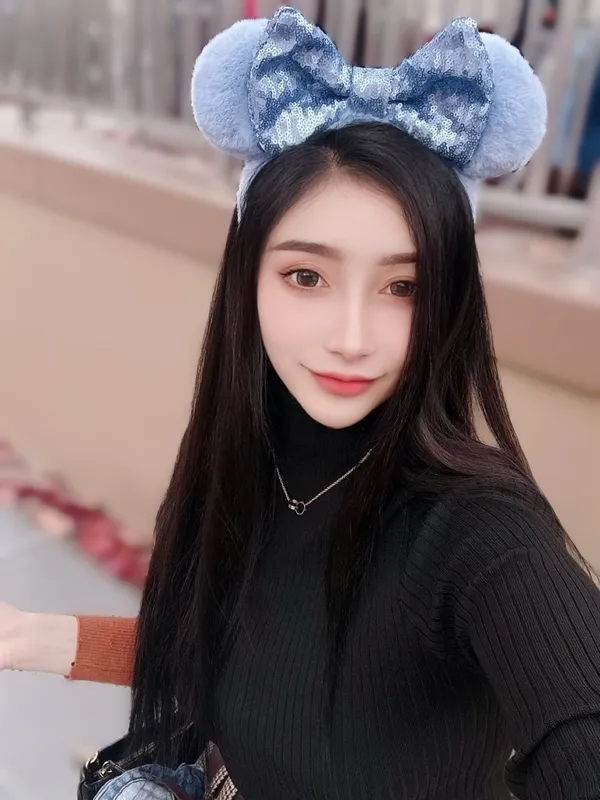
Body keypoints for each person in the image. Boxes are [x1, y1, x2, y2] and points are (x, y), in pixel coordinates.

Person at [3, 7, 600, 800]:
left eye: (405, 286)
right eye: (307, 277)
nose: (351, 338)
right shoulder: (255, 456)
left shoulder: (480, 529)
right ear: (247, 276)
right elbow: (238, 667)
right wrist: (31, 637)